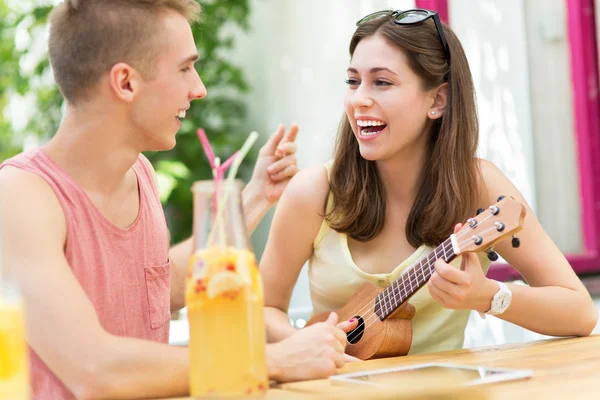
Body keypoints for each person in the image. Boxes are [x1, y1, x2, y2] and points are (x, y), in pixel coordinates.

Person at [0, 1, 356, 399]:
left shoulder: (141, 175)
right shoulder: (21, 196)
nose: (198, 88)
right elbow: (94, 369)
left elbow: (155, 288)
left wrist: (256, 197)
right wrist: (277, 359)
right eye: (185, 68)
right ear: (125, 82)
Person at [260, 9, 597, 356]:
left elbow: (579, 311)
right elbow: (263, 309)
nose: (358, 98)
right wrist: (303, 346)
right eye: (353, 81)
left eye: (382, 82)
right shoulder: (314, 192)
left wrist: (489, 296)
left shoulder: (477, 186)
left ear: (437, 100)